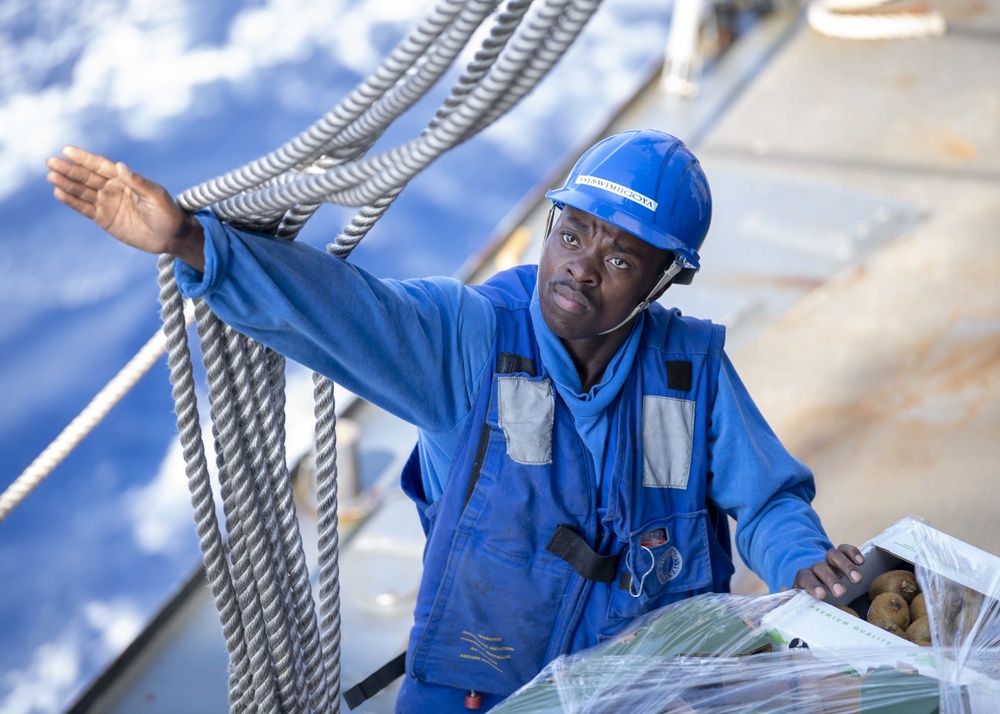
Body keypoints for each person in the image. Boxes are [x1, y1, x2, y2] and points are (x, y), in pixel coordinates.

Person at [46, 130, 865, 712]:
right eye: (571, 231)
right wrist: (193, 242)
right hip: (481, 689)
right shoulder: (468, 340)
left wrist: (802, 563)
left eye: (620, 257)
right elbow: (341, 313)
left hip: (652, 688)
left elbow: (765, 502)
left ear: (662, 282)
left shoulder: (690, 373)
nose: (580, 265)